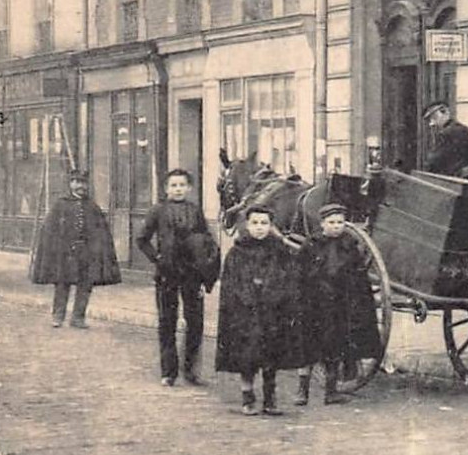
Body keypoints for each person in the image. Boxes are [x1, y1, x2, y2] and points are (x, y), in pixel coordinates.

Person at [215, 204, 303, 416]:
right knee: (248, 356)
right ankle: (248, 398)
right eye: (255, 223)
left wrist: (277, 297)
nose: (259, 228)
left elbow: (288, 279)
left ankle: (270, 400)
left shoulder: (280, 252)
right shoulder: (237, 252)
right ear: (247, 225)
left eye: (264, 223)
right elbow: (231, 284)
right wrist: (247, 297)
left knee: (271, 356)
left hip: (272, 312)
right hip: (246, 313)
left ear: (271, 226)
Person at [136, 168, 219, 387]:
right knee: (167, 322)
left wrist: (205, 275)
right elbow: (142, 239)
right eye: (173, 185)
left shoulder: (195, 211)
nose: (178, 189)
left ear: (189, 188)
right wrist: (158, 258)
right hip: (167, 274)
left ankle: (191, 371)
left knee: (195, 323)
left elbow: (207, 242)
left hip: (192, 274)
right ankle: (168, 372)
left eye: (182, 185)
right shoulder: (157, 211)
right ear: (166, 189)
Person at [294, 203, 384, 406]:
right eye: (332, 222)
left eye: (340, 222)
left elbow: (359, 275)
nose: (336, 226)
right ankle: (302, 391)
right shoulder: (311, 245)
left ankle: (331, 391)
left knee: (335, 348)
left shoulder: (350, 245)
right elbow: (299, 273)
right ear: (322, 224)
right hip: (315, 304)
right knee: (308, 349)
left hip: (339, 306)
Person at [29, 169, 121, 328]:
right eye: (76, 182)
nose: (80, 186)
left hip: (86, 253)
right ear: (70, 184)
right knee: (62, 284)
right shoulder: (60, 204)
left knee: (85, 286)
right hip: (65, 253)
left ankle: (78, 318)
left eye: (83, 183)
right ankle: (58, 316)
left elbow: (100, 231)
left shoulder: (92, 207)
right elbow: (49, 230)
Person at [421, 101, 468, 177]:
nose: (431, 124)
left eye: (434, 118)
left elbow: (434, 163)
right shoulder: (462, 129)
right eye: (429, 120)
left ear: (445, 112)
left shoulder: (448, 133)